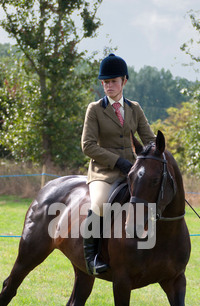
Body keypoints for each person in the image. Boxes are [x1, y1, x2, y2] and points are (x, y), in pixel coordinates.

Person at [81, 53, 156, 275]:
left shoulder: (134, 108)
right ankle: (91, 258)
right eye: (105, 82)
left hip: (132, 171)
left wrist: (151, 158)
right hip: (104, 171)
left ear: (124, 81)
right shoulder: (94, 109)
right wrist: (118, 162)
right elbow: (88, 145)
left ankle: (149, 251)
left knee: (150, 202)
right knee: (101, 204)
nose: (108, 86)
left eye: (113, 81)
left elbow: (150, 139)